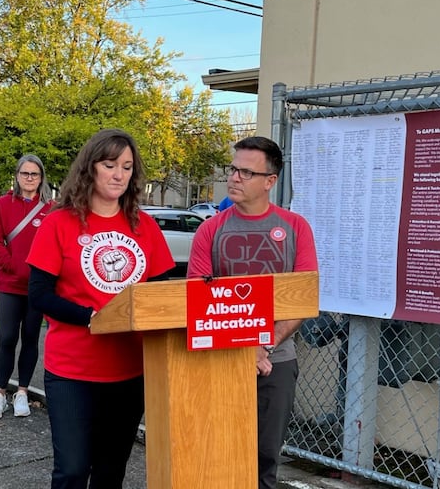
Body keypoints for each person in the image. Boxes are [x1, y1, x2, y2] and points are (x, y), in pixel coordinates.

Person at [27, 128, 174, 489]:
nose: (119, 174)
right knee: (73, 470)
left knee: (111, 473)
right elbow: (40, 295)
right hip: (72, 371)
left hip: (129, 370)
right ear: (90, 168)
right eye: (110, 165)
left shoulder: (145, 226)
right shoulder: (58, 223)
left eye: (126, 167)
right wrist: (91, 318)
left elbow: (163, 294)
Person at [188, 136, 318, 489]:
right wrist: (244, 348)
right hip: (219, 360)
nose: (234, 178)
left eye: (246, 172)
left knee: (264, 461)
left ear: (270, 181)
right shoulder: (210, 230)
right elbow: (198, 301)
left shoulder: (295, 228)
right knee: (216, 457)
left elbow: (303, 300)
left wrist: (265, 344)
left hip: (275, 360)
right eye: (233, 169)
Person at [0, 154, 52, 419]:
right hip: (11, 285)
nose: (30, 179)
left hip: (38, 289)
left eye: (34, 174)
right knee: (7, 338)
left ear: (41, 177)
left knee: (31, 339)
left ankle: (22, 391)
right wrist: (12, 265)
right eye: (25, 173)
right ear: (17, 175)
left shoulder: (51, 208)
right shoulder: (2, 204)